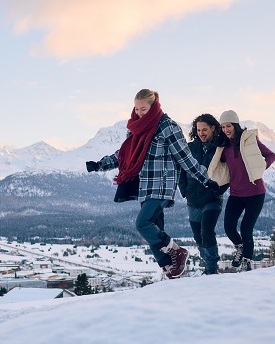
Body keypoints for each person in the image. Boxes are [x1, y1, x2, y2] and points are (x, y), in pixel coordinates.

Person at [86, 89, 220, 279]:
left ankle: (177, 252)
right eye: (137, 109)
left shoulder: (168, 127)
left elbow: (185, 158)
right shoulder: (135, 128)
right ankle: (170, 271)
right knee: (155, 231)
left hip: (163, 186)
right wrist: (100, 164)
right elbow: (125, 154)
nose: (139, 113)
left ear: (154, 105)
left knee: (143, 223)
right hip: (145, 187)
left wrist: (205, 180)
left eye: (143, 109)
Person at [215, 110, 275, 271]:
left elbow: (271, 155)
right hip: (235, 193)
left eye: (228, 126)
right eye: (223, 127)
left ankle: (247, 262)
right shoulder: (223, 145)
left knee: (246, 228)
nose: (226, 130)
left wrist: (260, 168)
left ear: (235, 125)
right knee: (229, 226)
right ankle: (240, 248)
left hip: (255, 193)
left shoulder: (250, 140)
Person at [177, 114, 229, 275]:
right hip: (192, 199)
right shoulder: (190, 148)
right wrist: (184, 191)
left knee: (207, 231)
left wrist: (219, 190)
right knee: (198, 236)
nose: (201, 133)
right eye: (198, 130)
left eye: (204, 129)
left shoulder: (220, 149)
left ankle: (212, 268)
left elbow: (228, 173)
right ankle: (207, 264)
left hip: (212, 199)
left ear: (213, 128)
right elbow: (181, 169)